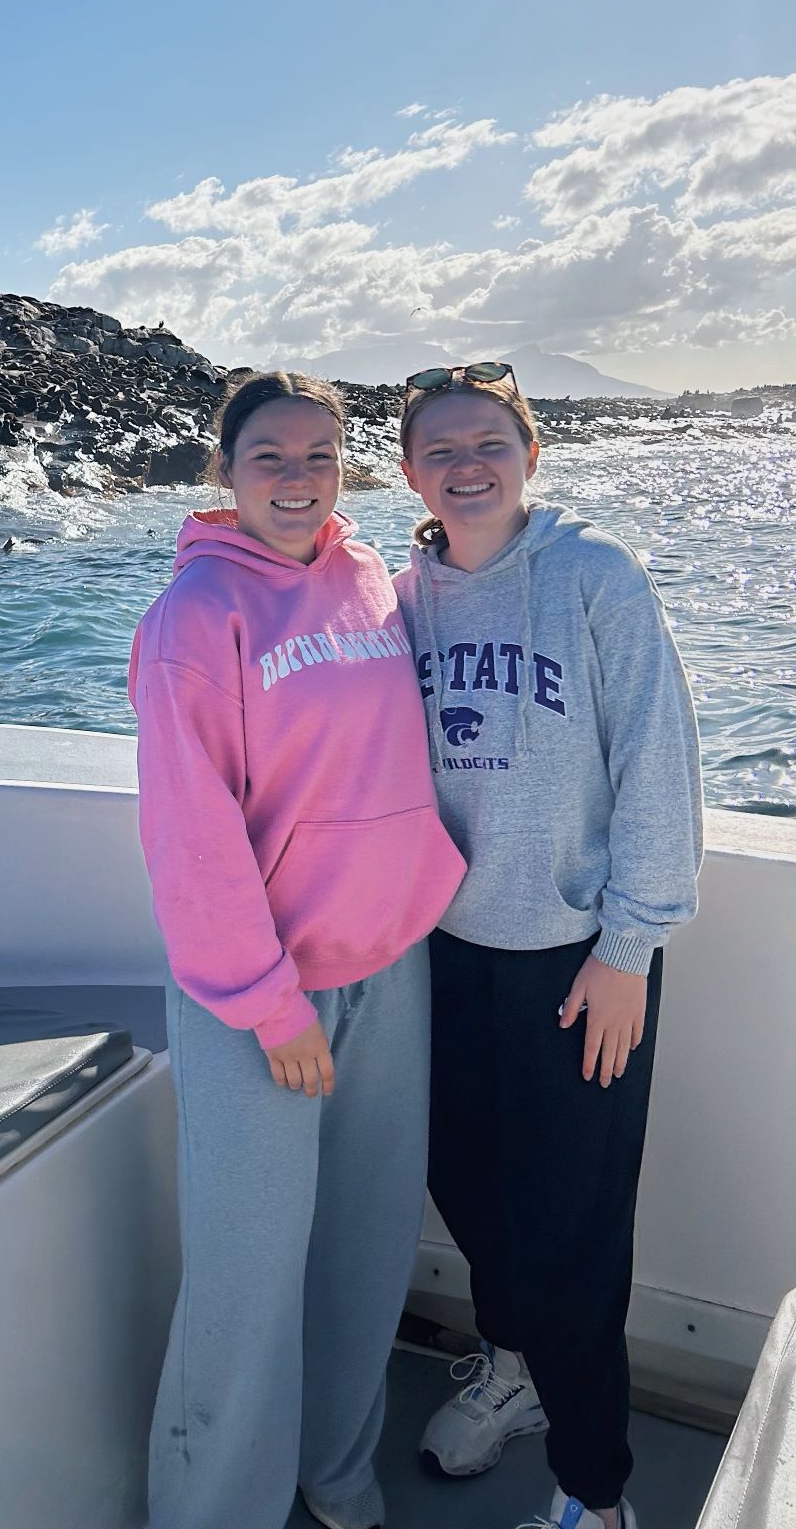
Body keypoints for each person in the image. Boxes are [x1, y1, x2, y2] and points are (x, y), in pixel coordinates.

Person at [129, 370, 465, 1529]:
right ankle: (213, 1509)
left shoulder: (368, 575)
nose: (297, 478)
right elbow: (192, 836)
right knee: (247, 1279)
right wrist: (271, 1006)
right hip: (264, 997)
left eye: (320, 455)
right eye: (270, 456)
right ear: (223, 470)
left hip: (391, 966)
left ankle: (335, 1472)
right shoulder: (193, 619)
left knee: (369, 1247)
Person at [393, 362, 702, 1529]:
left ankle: (597, 1494)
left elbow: (659, 768)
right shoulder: (399, 597)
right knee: (466, 1187)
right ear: (410, 469)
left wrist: (629, 948)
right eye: (441, 448)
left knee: (573, 1228)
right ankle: (513, 1367)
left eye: (490, 442)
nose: (467, 465)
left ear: (531, 452)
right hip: (440, 955)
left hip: (580, 962)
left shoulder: (595, 579)